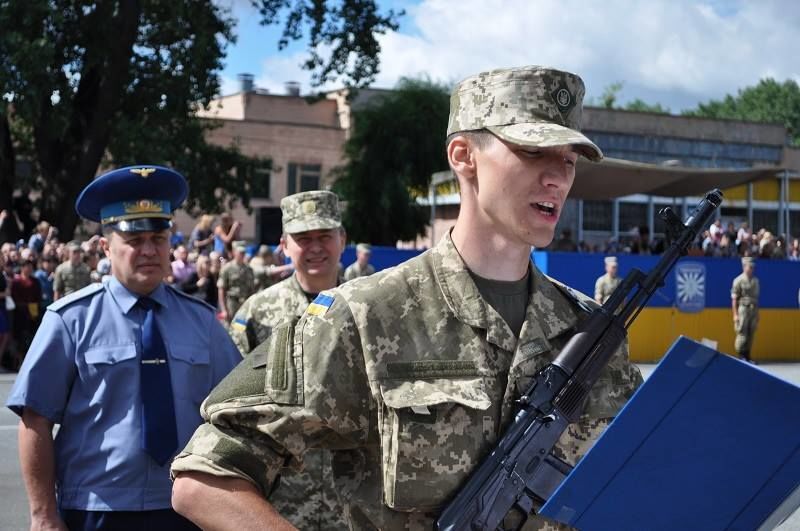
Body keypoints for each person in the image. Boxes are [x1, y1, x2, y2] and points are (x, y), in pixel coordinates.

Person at [171, 65, 644, 530]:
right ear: (464, 155)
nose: (558, 178)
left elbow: (635, 481)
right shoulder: (364, 315)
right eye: (532, 151)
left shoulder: (590, 331)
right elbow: (205, 477)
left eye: (568, 159)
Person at [6, 165, 242, 531]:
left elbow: (236, 415)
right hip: (96, 509)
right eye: (134, 241)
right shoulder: (70, 320)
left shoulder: (204, 323)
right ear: (106, 246)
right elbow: (35, 419)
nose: (149, 251)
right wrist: (43, 514)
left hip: (186, 507)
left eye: (158, 238)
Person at [229, 190, 348, 529]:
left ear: (342, 239)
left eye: (324, 236)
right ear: (284, 244)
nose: (315, 247)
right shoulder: (258, 313)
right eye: (303, 238)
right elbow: (231, 409)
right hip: (281, 499)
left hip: (356, 500)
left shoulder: (369, 305)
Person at [217, 240, 255, 322]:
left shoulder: (249, 269)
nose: (242, 254)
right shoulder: (227, 269)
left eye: (243, 252)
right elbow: (221, 290)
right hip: (232, 304)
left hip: (245, 304)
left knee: (241, 329)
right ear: (234, 252)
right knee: (230, 330)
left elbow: (252, 290)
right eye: (240, 252)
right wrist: (224, 310)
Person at [731, 256, 760, 363]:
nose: (751, 269)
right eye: (749, 267)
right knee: (742, 333)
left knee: (751, 332)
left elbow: (756, 297)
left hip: (753, 309)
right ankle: (741, 355)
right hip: (743, 309)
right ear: (744, 267)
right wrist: (735, 314)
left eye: (753, 267)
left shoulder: (755, 281)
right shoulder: (738, 280)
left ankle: (748, 355)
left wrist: (757, 313)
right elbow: (734, 299)